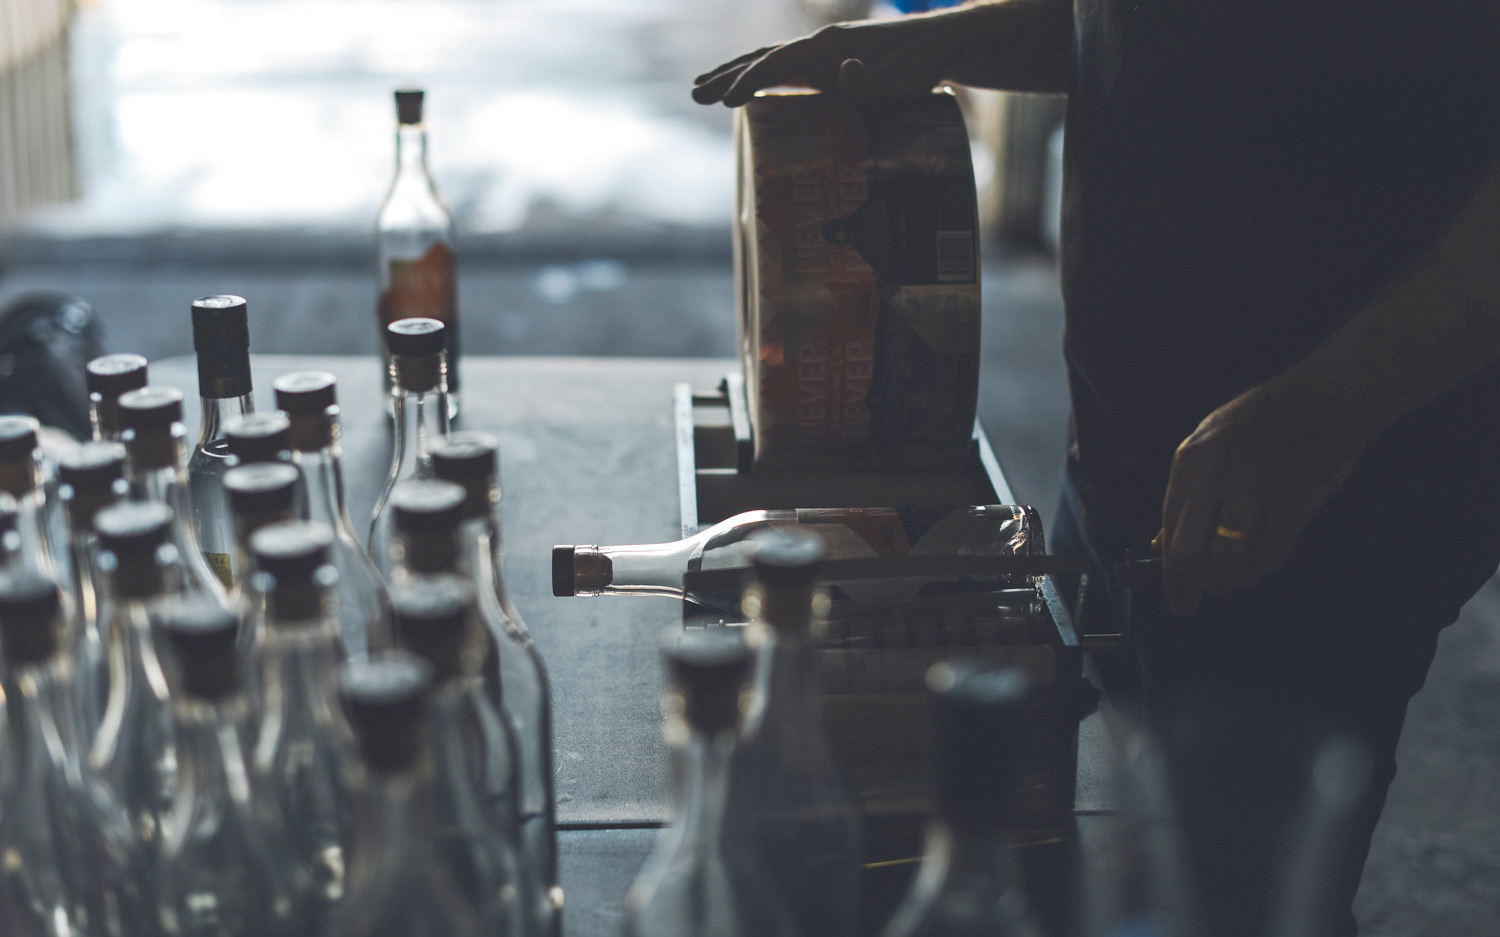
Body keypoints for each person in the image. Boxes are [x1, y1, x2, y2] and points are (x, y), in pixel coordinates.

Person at [694, 3, 1500, 935]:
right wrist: (949, 40)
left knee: (1238, 893)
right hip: (1123, 456)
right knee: (1089, 847)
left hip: (1320, 491)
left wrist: (1333, 400)